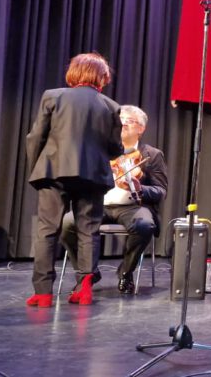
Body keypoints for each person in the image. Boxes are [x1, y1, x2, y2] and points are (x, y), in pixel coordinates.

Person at [24, 53, 123, 307]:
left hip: (54, 171)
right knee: (88, 231)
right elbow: (115, 149)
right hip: (93, 176)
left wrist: (36, 166)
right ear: (102, 77)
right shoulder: (111, 107)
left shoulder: (53, 96)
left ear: (73, 73)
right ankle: (84, 289)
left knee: (47, 230)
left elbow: (36, 136)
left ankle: (43, 293)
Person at [60, 105, 167, 295]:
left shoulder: (151, 155)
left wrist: (139, 188)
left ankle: (126, 272)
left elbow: (160, 190)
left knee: (144, 225)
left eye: (130, 121)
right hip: (98, 204)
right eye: (120, 120)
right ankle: (87, 274)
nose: (123, 123)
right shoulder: (100, 150)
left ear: (141, 129)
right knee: (68, 222)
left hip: (133, 206)